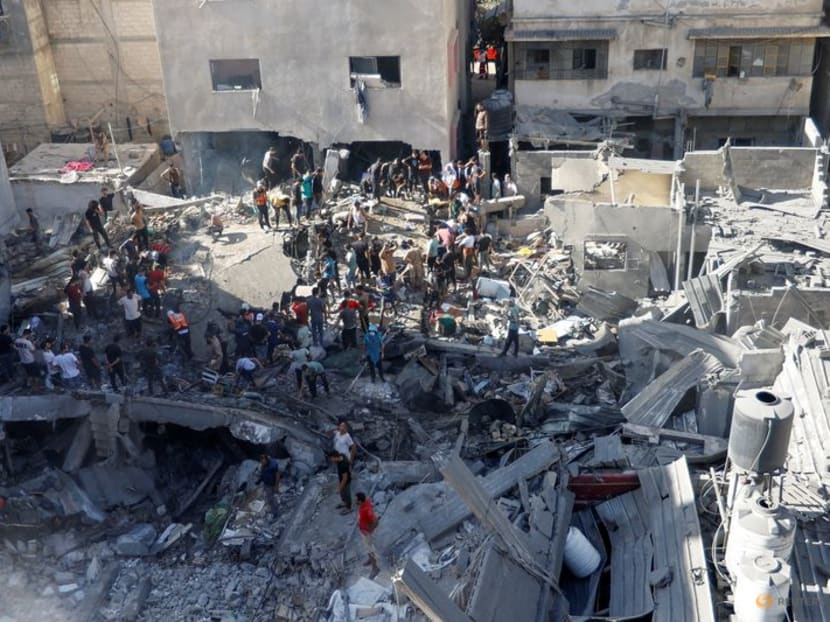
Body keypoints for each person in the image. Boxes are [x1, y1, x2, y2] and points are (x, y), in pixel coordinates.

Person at [356, 492, 380, 577]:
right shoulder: (365, 503)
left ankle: (375, 568)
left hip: (367, 533)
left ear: (360, 501)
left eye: (357, 500)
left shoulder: (366, 510)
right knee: (367, 548)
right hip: (364, 530)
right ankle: (370, 560)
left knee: (370, 550)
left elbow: (374, 521)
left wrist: (369, 531)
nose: (355, 501)